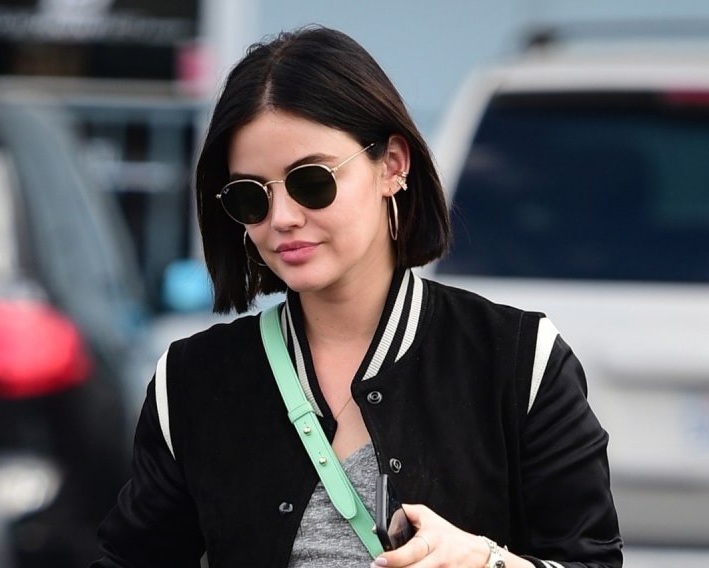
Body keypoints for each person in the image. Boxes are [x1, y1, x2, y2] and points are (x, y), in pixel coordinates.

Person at [90, 26, 622, 568]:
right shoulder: (193, 380)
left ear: (392, 165)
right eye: (251, 196)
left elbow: (592, 560)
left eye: (311, 181)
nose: (282, 218)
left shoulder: (517, 359)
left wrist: (486, 561)